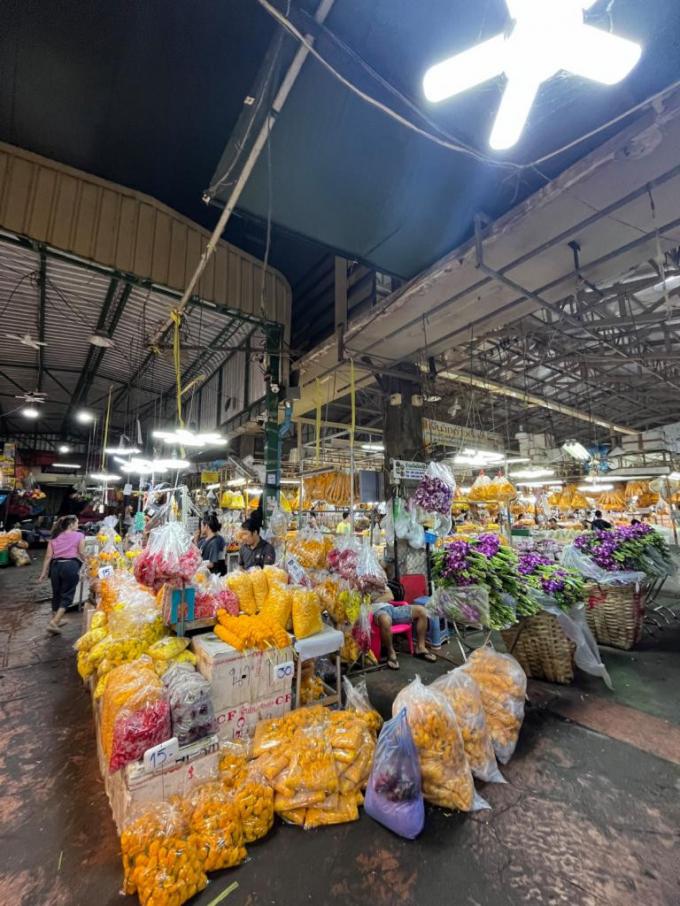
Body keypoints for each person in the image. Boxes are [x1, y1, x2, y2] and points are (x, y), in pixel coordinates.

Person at [37, 515, 86, 635]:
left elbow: (48, 557)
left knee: (56, 593)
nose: (77, 525)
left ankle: (55, 620)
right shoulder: (79, 535)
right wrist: (89, 562)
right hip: (70, 566)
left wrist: (43, 573)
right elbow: (81, 552)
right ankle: (54, 622)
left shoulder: (54, 537)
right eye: (76, 523)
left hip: (55, 567)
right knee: (68, 595)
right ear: (71, 524)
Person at [371, 585, 436, 670]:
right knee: (386, 620)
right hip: (378, 612)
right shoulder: (360, 585)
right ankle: (391, 652)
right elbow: (363, 602)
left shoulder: (379, 582)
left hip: (392, 609)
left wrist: (373, 599)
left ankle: (420, 647)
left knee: (422, 611)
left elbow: (390, 596)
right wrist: (379, 596)